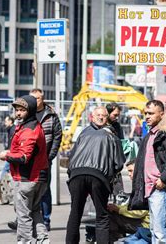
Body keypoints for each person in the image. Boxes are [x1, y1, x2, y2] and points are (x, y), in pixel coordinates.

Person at [66, 106, 124, 244]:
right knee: (102, 216)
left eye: (103, 115)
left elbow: (71, 157)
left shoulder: (83, 133)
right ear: (92, 116)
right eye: (98, 115)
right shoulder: (111, 135)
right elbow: (119, 163)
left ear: (107, 117)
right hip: (99, 176)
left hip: (76, 175)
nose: (101, 117)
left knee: (75, 213)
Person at [0, 95, 49, 244]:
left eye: (22, 110)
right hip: (37, 176)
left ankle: (25, 241)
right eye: (17, 110)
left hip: (28, 178)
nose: (18, 113)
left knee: (23, 214)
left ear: (31, 110)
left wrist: (6, 155)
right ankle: (43, 239)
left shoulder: (29, 130)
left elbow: (23, 157)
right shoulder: (30, 125)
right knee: (34, 211)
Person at [129, 100, 166, 244]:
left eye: (151, 113)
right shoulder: (152, 134)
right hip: (150, 188)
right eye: (146, 113)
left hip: (159, 189)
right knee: (154, 231)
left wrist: (163, 179)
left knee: (159, 234)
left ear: (162, 114)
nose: (147, 116)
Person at [30, 88, 62, 231]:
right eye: (33, 98)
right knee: (29, 190)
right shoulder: (26, 113)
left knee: (44, 190)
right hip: (28, 160)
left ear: (42, 99)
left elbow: (57, 135)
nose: (35, 101)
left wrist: (51, 155)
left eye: (38, 98)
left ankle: (46, 219)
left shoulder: (51, 115)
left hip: (45, 159)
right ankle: (30, 219)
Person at [108, 159, 149, 242]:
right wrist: (117, 207)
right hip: (142, 222)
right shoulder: (140, 184)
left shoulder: (144, 186)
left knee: (109, 217)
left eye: (131, 171)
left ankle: (116, 240)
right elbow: (133, 206)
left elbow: (140, 211)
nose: (129, 174)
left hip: (145, 226)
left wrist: (119, 209)